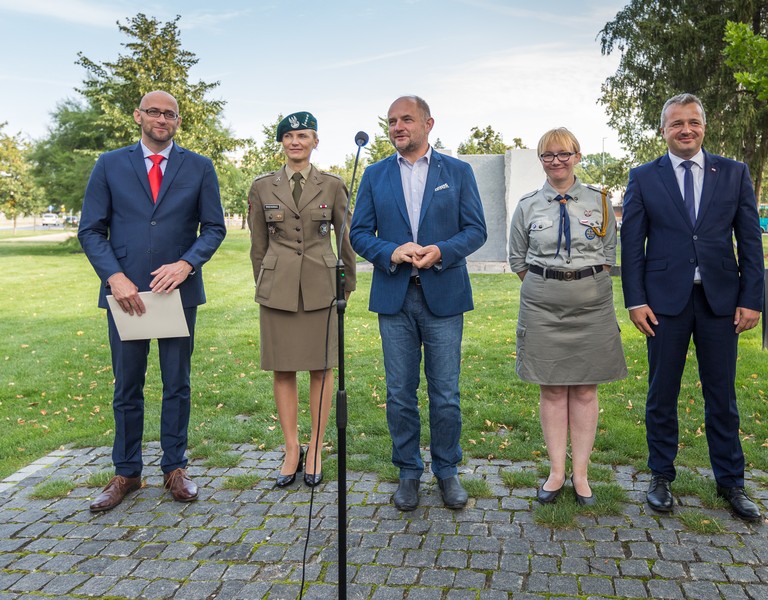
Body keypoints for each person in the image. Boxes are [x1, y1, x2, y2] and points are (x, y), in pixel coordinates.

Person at [78, 90, 226, 512]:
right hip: (125, 294)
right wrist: (114, 277)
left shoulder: (199, 166)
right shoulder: (109, 164)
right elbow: (91, 229)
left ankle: (175, 469)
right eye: (155, 112)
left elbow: (213, 228)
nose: (162, 119)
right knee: (127, 386)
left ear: (178, 121)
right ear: (139, 116)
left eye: (171, 114)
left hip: (178, 293)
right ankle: (126, 471)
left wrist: (187, 265)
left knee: (177, 383)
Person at [620, 93, 765, 521]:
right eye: (677, 123)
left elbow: (750, 242)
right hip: (663, 303)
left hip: (721, 301)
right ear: (663, 129)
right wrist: (635, 300)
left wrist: (751, 299)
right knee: (662, 393)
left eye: (694, 122)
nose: (686, 130)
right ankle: (661, 475)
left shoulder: (734, 173)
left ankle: (731, 482)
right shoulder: (644, 176)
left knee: (722, 395)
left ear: (704, 126)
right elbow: (632, 247)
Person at [349, 95, 487, 511]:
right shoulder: (374, 175)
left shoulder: (458, 172)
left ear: (428, 123)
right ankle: (408, 471)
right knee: (399, 394)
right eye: (391, 121)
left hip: (443, 294)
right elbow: (358, 234)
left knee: (445, 393)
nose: (397, 127)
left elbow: (476, 230)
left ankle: (447, 471)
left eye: (406, 119)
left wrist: (441, 250)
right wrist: (390, 251)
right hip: (395, 297)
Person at [508, 127, 627, 506]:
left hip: (592, 304)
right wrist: (552, 283)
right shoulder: (528, 205)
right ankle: (557, 472)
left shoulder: (601, 202)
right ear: (541, 161)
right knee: (553, 387)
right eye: (548, 155)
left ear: (577, 156)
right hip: (543, 304)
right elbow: (517, 259)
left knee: (586, 387)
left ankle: (582, 475)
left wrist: (579, 282)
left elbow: (608, 256)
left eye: (563, 154)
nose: (556, 161)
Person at [248, 111, 356, 488]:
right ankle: (291, 447)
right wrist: (266, 283)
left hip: (320, 285)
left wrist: (346, 286)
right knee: (283, 368)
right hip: (278, 287)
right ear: (281, 142)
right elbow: (258, 247)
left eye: (304, 135)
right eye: (289, 136)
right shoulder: (262, 187)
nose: (296, 142)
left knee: (321, 368)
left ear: (315, 141)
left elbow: (345, 240)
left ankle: (315, 447)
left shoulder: (332, 185)